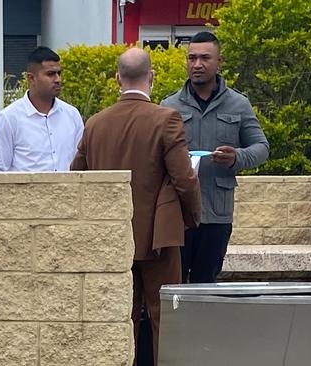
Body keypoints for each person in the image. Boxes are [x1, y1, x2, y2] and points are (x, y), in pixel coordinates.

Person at [71, 48, 201, 365]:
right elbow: (184, 179)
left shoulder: (95, 124)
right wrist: (192, 218)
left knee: (119, 319)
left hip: (111, 238)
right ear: (152, 77)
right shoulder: (166, 119)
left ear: (117, 79)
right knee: (164, 319)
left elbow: (76, 179)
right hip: (159, 237)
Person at [161, 31, 269, 283]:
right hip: (178, 212)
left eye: (205, 58)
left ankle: (202, 324)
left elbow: (261, 147)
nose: (197, 64)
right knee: (172, 284)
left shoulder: (238, 104)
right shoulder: (169, 105)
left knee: (205, 283)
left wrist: (236, 158)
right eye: (192, 58)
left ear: (219, 62)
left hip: (216, 213)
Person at [0, 47, 83, 172]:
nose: (58, 80)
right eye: (50, 74)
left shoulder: (72, 115)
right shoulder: (9, 118)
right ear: (31, 78)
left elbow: (81, 164)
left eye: (59, 73)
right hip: (24, 192)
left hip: (68, 191)